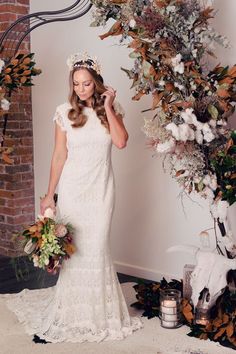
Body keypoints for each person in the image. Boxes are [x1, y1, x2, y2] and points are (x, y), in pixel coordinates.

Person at [4, 53, 143, 343]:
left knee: (97, 247)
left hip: (101, 190)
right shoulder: (64, 112)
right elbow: (59, 155)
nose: (81, 89)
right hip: (73, 190)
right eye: (77, 84)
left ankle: (99, 314)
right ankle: (74, 314)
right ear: (72, 84)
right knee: (77, 252)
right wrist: (49, 196)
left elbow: (121, 142)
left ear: (97, 83)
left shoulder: (111, 109)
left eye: (87, 84)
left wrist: (107, 105)